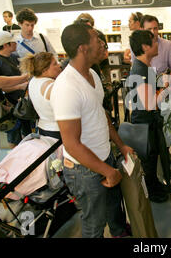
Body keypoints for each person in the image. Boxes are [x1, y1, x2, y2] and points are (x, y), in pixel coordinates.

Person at [50, 23, 133, 238]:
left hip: (105, 157)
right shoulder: (66, 87)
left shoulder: (92, 75)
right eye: (97, 39)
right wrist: (107, 171)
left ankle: (119, 232)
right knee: (94, 224)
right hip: (84, 171)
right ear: (82, 48)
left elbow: (101, 115)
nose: (102, 44)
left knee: (115, 209)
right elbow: (71, 144)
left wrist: (120, 145)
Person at [127, 29, 171, 203]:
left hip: (150, 122)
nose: (157, 44)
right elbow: (149, 104)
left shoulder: (145, 68)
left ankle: (155, 186)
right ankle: (151, 193)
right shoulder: (140, 70)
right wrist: (166, 88)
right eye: (154, 42)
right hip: (144, 124)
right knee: (148, 161)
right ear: (145, 47)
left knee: (152, 159)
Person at [0, 31, 32, 148]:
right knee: (13, 135)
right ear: (6, 45)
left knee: (27, 132)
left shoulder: (14, 57)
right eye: (13, 42)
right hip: (9, 104)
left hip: (22, 101)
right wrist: (19, 86)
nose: (16, 44)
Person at [19, 52, 62, 139]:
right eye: (55, 64)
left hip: (43, 128)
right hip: (58, 130)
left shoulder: (33, 80)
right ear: (44, 70)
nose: (59, 65)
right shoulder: (51, 86)